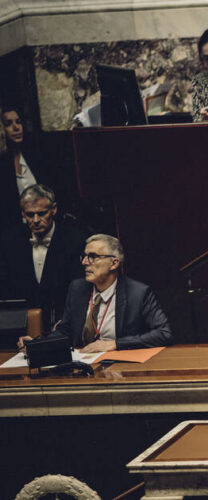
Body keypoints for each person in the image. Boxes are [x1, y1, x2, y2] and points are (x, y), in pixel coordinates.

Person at [17, 234, 173, 352]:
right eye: (84, 256)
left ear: (114, 263)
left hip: (119, 366)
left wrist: (114, 344)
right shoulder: (77, 288)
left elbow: (163, 333)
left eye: (93, 257)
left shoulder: (138, 293)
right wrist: (37, 345)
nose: (85, 262)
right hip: (81, 365)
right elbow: (65, 331)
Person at [0, 184, 87, 324]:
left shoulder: (75, 240)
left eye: (41, 213)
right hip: (21, 322)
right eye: (29, 214)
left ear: (54, 209)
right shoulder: (8, 241)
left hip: (63, 322)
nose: (35, 220)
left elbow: (79, 289)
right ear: (22, 213)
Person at [1, 105, 51, 234]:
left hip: (42, 227)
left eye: (18, 122)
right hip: (14, 232)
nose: (16, 127)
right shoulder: (3, 165)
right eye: (8, 124)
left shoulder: (34, 157)